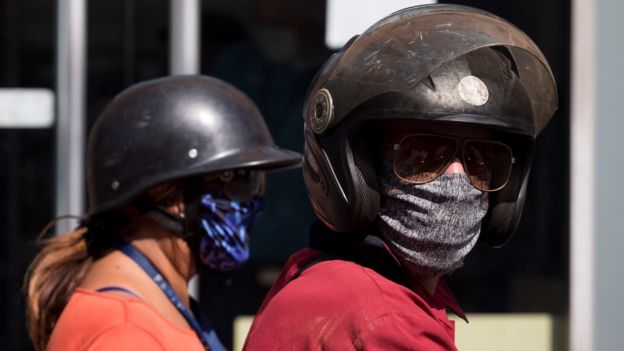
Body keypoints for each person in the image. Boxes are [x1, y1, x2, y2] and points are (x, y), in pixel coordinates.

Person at [244, 4, 557, 350]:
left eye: (481, 159)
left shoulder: (316, 277)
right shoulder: (384, 321)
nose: (457, 177)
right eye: (421, 154)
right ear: (357, 168)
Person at [24, 75, 301, 351]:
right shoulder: (124, 332)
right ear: (167, 194)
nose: (254, 202)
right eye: (240, 180)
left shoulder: (153, 308)